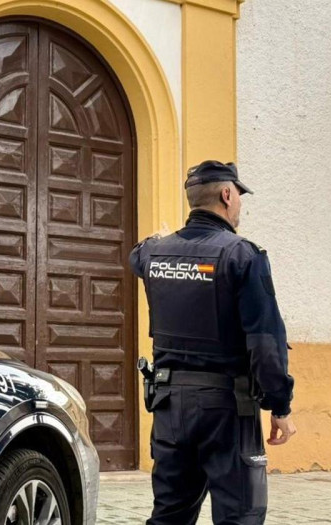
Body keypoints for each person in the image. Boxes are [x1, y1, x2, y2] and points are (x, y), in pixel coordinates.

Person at [130, 160, 296, 525]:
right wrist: (279, 405)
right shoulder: (243, 255)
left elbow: (137, 255)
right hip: (227, 409)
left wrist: (158, 241)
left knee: (170, 514)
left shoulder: (153, 254)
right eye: (238, 196)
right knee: (241, 516)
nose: (240, 205)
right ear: (226, 195)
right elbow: (265, 341)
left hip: (170, 406)